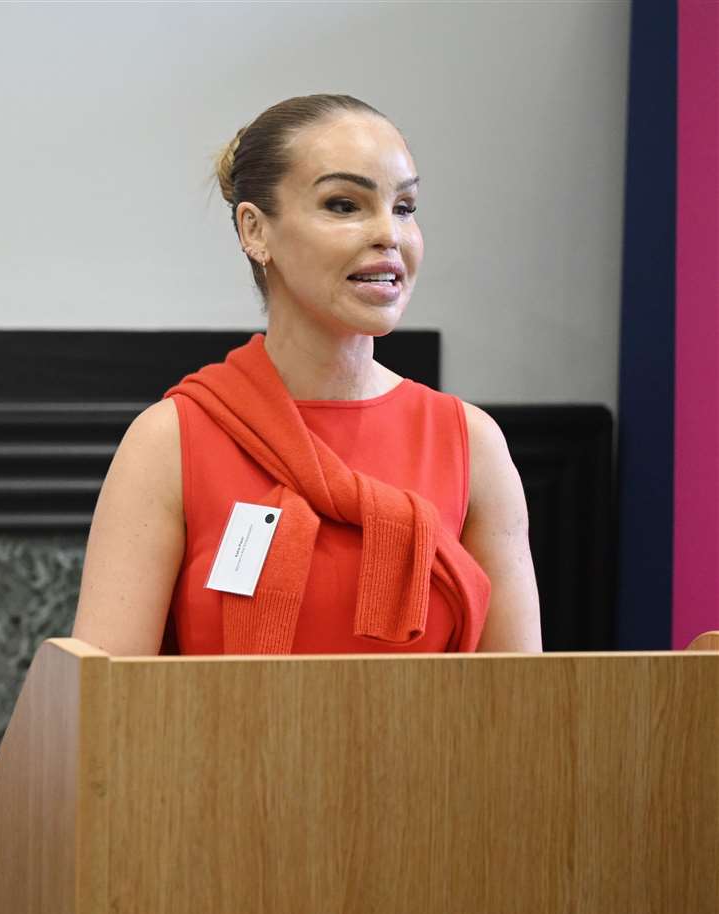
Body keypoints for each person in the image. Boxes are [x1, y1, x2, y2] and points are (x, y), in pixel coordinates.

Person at [72, 94, 541, 655]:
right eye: (345, 205)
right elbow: (104, 708)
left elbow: (522, 707)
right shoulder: (169, 442)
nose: (389, 234)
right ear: (256, 231)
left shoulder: (472, 442)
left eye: (406, 207)